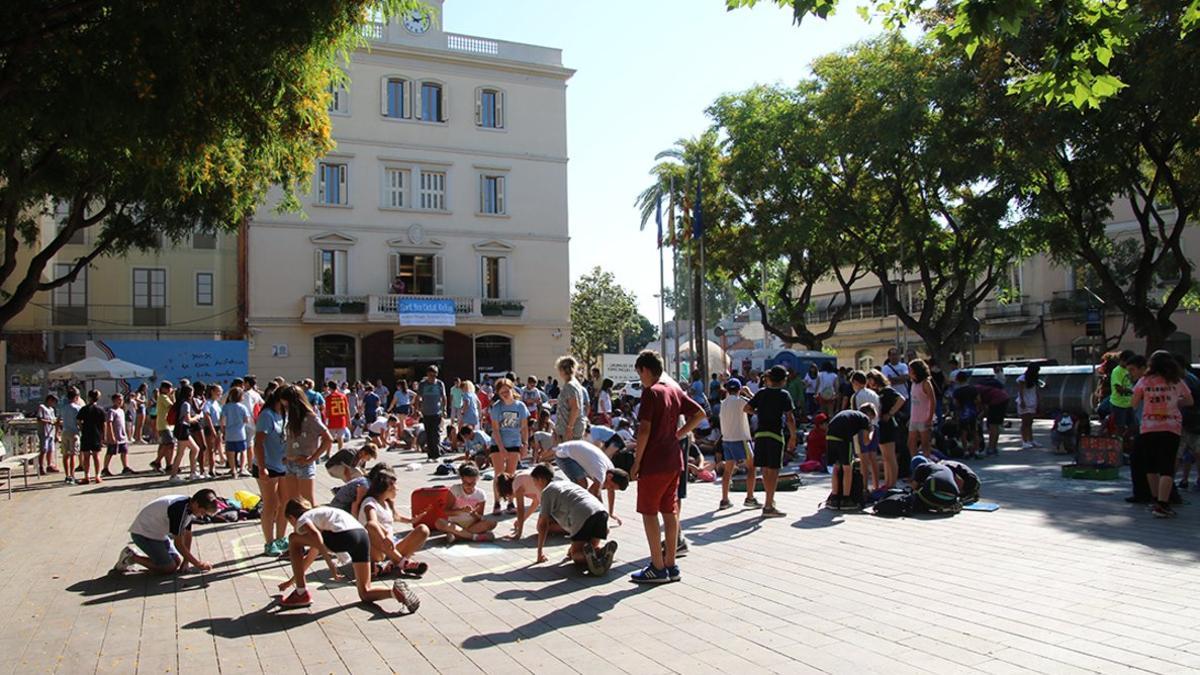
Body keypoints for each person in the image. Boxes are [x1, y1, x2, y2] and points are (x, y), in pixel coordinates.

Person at [630, 350, 705, 584]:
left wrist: (636, 462)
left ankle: (657, 565)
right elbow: (700, 413)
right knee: (670, 512)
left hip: (654, 461)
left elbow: (644, 430)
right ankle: (671, 564)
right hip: (674, 459)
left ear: (644, 370)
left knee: (649, 513)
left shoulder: (651, 393)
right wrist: (679, 434)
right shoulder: (673, 390)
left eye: (639, 373)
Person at [276, 498, 421, 612]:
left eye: (290, 522)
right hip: (362, 536)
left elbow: (316, 537)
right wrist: (291, 581)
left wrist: (330, 564)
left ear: (291, 517)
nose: (294, 525)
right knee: (365, 592)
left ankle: (301, 593)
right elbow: (311, 556)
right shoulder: (321, 514)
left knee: (293, 539)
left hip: (344, 536)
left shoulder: (304, 518)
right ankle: (394, 592)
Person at [1132, 350, 1194, 518]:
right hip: (1171, 427)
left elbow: (1134, 402)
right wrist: (1174, 402)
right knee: (1167, 467)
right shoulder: (1177, 381)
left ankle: (1154, 500)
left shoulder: (1144, 381)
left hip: (1148, 427)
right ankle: (1163, 504)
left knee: (1150, 466)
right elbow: (1190, 401)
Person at [531, 464, 618, 576]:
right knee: (590, 548)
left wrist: (539, 553)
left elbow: (543, 525)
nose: (535, 485)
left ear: (540, 479)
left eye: (534, 482)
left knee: (576, 555)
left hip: (582, 514)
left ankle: (590, 559)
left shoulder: (547, 491)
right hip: (601, 512)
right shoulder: (565, 483)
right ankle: (602, 552)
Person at [111, 489, 220, 575]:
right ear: (196, 504)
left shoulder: (189, 507)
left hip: (157, 534)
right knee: (169, 568)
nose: (202, 515)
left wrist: (186, 561)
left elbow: (188, 534)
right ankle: (131, 557)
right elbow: (179, 544)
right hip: (143, 534)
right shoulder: (179, 510)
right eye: (202, 512)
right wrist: (198, 564)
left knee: (176, 561)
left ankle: (143, 558)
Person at [743, 365, 797, 518]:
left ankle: (769, 501)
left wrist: (758, 412)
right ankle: (768, 505)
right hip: (775, 435)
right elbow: (790, 418)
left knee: (765, 470)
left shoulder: (761, 393)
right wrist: (793, 437)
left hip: (760, 434)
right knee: (773, 470)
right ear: (783, 380)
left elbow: (746, 408)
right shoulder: (784, 395)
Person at [356, 468, 430, 577]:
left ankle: (389, 564)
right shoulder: (369, 503)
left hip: (389, 548)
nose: (397, 489)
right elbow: (372, 523)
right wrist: (385, 538)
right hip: (375, 549)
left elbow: (395, 517)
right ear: (388, 487)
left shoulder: (386, 503)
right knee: (372, 527)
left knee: (423, 529)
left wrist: (411, 520)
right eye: (395, 485)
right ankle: (402, 562)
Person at [552, 439, 630, 522]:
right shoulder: (600, 473)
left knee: (585, 491)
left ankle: (571, 508)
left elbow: (610, 491)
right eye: (611, 486)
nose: (609, 488)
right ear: (610, 476)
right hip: (564, 455)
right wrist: (603, 516)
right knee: (582, 485)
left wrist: (611, 513)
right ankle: (561, 508)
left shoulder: (611, 470)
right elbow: (595, 493)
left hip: (575, 452)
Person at [279, 385, 331, 508]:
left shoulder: (311, 417)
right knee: (293, 504)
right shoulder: (291, 418)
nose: (286, 410)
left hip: (304, 463)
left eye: (287, 406)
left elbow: (328, 439)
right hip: (290, 463)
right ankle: (298, 527)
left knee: (307, 503)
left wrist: (312, 459)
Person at [254, 387, 290, 556]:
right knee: (271, 504)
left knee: (285, 502)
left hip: (283, 465)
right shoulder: (267, 415)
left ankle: (281, 538)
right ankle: (269, 543)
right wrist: (262, 467)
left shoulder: (283, 414)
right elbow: (258, 442)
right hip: (267, 465)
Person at [489, 378, 530, 514]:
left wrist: (525, 444)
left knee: (511, 474)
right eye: (502, 393)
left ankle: (510, 501)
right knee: (499, 474)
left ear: (512, 389)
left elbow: (524, 427)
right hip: (498, 442)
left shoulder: (520, 406)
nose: (505, 394)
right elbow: (495, 429)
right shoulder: (496, 407)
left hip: (514, 442)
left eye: (507, 391)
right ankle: (496, 502)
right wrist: (501, 447)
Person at [826, 404, 877, 509]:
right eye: (872, 417)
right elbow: (867, 441)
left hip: (830, 435)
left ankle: (834, 498)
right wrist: (872, 430)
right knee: (847, 468)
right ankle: (846, 499)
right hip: (843, 439)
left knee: (836, 467)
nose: (871, 420)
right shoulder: (865, 418)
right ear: (869, 414)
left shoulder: (853, 414)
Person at [434, 462, 498, 543]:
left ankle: (458, 535)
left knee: (492, 522)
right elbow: (446, 511)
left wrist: (474, 514)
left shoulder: (480, 494)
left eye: (473, 483)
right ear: (462, 479)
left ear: (477, 479)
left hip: (472, 525)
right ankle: (473, 537)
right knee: (439, 522)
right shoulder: (455, 489)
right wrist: (461, 510)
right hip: (455, 523)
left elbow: (480, 517)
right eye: (467, 483)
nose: (470, 486)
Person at [717, 378, 756, 509]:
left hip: (727, 439)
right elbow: (756, 405)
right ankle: (750, 497)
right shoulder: (741, 402)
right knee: (752, 467)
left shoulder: (723, 403)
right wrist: (749, 393)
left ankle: (724, 499)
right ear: (739, 389)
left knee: (728, 470)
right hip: (741, 438)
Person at [866, 370, 904, 488]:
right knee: (885, 457)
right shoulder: (876, 393)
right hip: (880, 425)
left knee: (890, 456)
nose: (870, 383)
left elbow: (901, 399)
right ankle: (887, 482)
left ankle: (892, 483)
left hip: (888, 425)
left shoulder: (887, 390)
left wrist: (891, 413)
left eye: (871, 380)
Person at [850, 371, 883, 490]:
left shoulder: (856, 396)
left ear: (855, 382)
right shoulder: (874, 394)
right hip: (875, 426)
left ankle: (864, 487)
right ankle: (876, 485)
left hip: (862, 429)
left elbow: (855, 414)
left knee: (863, 460)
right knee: (873, 458)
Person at [166, 384, 203, 483]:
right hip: (184, 429)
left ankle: (190, 472)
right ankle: (182, 474)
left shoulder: (179, 403)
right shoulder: (186, 404)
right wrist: (197, 417)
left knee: (184, 452)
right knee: (192, 450)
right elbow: (188, 419)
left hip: (180, 429)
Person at [498, 468, 544, 539]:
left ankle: (565, 527)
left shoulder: (517, 484)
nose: (511, 498)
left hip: (555, 500)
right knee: (542, 526)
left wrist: (518, 534)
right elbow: (536, 502)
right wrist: (521, 521)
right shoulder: (520, 478)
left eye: (508, 496)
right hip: (555, 497)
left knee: (542, 527)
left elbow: (520, 510)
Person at [413, 366, 448, 461]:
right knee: (428, 434)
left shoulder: (440, 384)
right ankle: (430, 455)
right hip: (426, 412)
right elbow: (418, 397)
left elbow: (444, 397)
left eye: (434, 375)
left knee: (435, 433)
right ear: (427, 374)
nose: (432, 377)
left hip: (436, 412)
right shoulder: (423, 384)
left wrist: (444, 409)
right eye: (430, 375)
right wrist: (417, 409)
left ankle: (436, 455)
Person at [976, 368, 1010, 456]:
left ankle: (991, 448)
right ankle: (993, 447)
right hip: (1003, 399)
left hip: (997, 401)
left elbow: (980, 403)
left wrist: (980, 415)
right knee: (996, 424)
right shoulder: (981, 388)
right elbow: (984, 406)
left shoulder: (976, 390)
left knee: (993, 425)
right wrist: (981, 414)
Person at [907, 359, 936, 459]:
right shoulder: (913, 384)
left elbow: (933, 401)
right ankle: (914, 462)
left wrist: (930, 418)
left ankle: (927, 462)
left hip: (924, 418)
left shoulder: (926, 383)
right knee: (911, 442)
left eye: (910, 369)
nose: (909, 372)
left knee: (925, 444)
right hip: (914, 418)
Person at [220, 386, 252, 478]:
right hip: (240, 433)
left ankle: (233, 470)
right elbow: (246, 420)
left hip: (229, 433)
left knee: (230, 452)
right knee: (243, 451)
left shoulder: (226, 407)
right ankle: (242, 468)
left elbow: (222, 420)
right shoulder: (243, 407)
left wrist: (223, 429)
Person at [77, 389, 107, 484]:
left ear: (89, 397)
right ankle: (97, 476)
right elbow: (104, 424)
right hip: (96, 434)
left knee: (86, 456)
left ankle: (87, 476)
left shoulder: (84, 409)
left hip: (86, 434)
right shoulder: (100, 409)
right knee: (96, 456)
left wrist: (82, 428)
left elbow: (78, 421)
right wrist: (104, 436)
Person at [554, 356, 587, 443]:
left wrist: (570, 427)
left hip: (570, 430)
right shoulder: (575, 383)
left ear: (563, 370)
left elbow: (575, 407)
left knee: (567, 455)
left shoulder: (570, 386)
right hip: (572, 427)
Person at [950, 371, 982, 459]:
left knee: (963, 433)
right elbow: (978, 400)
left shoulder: (957, 391)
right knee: (975, 432)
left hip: (962, 414)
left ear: (957, 380)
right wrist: (977, 409)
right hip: (972, 413)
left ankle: (966, 451)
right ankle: (976, 450)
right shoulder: (973, 389)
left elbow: (956, 404)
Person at [102, 392, 134, 477]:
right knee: (110, 452)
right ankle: (105, 468)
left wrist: (126, 434)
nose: (120, 401)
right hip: (115, 436)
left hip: (122, 436)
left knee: (124, 451)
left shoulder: (121, 411)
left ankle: (125, 467)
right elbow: (109, 423)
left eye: (122, 400)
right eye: (118, 400)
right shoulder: (111, 411)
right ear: (114, 401)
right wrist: (111, 436)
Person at [1109, 350, 1137, 436]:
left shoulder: (1129, 370)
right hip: (1118, 404)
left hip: (1128, 404)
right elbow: (1118, 388)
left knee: (1134, 426)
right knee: (1120, 427)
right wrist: (1132, 391)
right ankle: (1118, 443)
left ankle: (1126, 441)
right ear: (1122, 360)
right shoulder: (1117, 371)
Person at [1016, 364, 1042, 449]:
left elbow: (1037, 391)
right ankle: (1024, 441)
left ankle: (1031, 440)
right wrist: (1022, 401)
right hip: (1025, 401)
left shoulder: (1035, 379)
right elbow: (1021, 391)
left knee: (1030, 422)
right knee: (1025, 422)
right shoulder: (1022, 379)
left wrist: (1038, 401)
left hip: (1032, 401)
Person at [58, 388, 82, 482]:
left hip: (65, 431)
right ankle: (72, 475)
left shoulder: (63, 408)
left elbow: (59, 419)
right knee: (72, 455)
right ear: (76, 397)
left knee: (65, 455)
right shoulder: (77, 408)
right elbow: (79, 422)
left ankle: (67, 475)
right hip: (74, 432)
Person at [324, 381, 351, 457]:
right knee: (340, 438)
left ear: (329, 388)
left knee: (330, 438)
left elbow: (327, 410)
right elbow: (346, 409)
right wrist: (348, 419)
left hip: (332, 420)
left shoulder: (328, 398)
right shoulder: (343, 396)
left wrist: (326, 420)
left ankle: (328, 454)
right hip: (342, 419)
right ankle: (340, 454)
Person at [36, 393, 60, 475]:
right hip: (44, 431)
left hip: (51, 432)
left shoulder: (52, 409)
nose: (54, 404)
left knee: (51, 449)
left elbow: (54, 419)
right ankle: (41, 466)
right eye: (53, 402)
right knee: (44, 449)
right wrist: (49, 422)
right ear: (49, 400)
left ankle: (50, 465)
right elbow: (39, 419)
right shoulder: (42, 407)